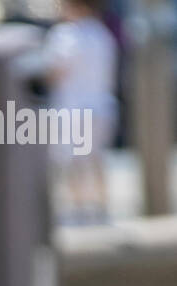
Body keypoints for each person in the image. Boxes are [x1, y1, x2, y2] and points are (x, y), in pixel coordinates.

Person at [42, 0, 119, 223]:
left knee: (74, 163)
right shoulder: (103, 34)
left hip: (74, 110)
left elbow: (56, 71)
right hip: (103, 107)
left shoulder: (65, 35)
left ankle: (79, 212)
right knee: (96, 160)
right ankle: (102, 209)